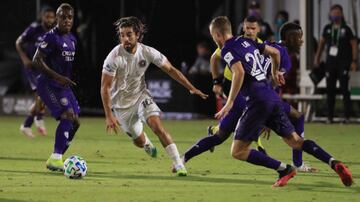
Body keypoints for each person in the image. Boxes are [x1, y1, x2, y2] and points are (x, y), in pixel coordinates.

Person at [210, 16, 353, 187]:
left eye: (213, 36)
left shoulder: (227, 49)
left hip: (256, 101)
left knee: (238, 151)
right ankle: (334, 163)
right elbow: (274, 53)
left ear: (218, 35)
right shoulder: (246, 42)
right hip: (271, 97)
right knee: (295, 141)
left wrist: (230, 101)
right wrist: (275, 71)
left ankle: (284, 169)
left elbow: (238, 73)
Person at [185, 17, 317, 173]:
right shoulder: (236, 43)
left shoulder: (260, 45)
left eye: (252, 28)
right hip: (239, 91)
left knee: (294, 116)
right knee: (226, 135)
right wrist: (216, 82)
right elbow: (215, 58)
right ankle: (288, 163)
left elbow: (270, 76)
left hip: (255, 94)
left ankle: (291, 163)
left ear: (258, 30)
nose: (249, 31)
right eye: (246, 28)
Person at [100, 16, 208, 177]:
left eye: (129, 34)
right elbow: (105, 87)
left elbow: (171, 70)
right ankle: (146, 143)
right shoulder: (114, 56)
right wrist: (109, 115)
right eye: (122, 35)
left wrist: (191, 87)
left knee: (157, 126)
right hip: (121, 106)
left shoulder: (147, 52)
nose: (125, 39)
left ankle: (179, 164)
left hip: (141, 96)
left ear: (137, 35)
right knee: (138, 140)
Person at [32, 3, 79, 172]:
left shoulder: (72, 39)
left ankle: (56, 157)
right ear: (57, 18)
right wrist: (58, 77)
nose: (66, 20)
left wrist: (65, 79)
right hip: (48, 84)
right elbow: (36, 59)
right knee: (67, 116)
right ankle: (57, 157)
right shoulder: (51, 37)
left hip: (62, 86)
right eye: (63, 17)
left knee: (75, 123)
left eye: (70, 17)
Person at [314, 4, 358, 124]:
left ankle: (347, 117)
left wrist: (354, 61)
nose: (335, 15)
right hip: (330, 63)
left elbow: (354, 44)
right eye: (333, 13)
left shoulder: (347, 27)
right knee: (330, 90)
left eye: (338, 13)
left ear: (342, 14)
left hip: (344, 63)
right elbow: (321, 44)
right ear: (330, 14)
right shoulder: (327, 28)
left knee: (345, 90)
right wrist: (317, 58)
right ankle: (330, 117)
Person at [16, 6, 55, 138]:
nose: (49, 19)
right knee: (41, 95)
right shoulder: (34, 29)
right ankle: (37, 119)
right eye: (47, 16)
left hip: (44, 69)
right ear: (41, 16)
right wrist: (25, 59)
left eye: (51, 17)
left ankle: (28, 124)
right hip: (32, 68)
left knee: (43, 97)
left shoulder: (54, 32)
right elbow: (18, 43)